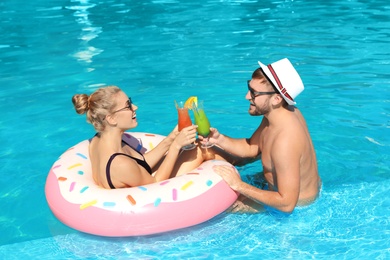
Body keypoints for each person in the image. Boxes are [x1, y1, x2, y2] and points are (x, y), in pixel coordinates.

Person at [200, 58, 321, 214]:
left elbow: (287, 205)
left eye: (254, 93)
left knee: (222, 207)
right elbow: (252, 147)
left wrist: (239, 185)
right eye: (249, 88)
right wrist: (219, 139)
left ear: (277, 99)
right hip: (285, 194)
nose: (247, 96)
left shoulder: (285, 141)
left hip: (299, 210)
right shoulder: (278, 115)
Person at [72, 85, 206, 189]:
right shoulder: (119, 164)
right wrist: (176, 146)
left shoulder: (99, 140)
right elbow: (155, 184)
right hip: (151, 195)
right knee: (203, 150)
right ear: (111, 119)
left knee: (194, 149)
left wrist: (171, 139)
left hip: (140, 180)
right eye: (128, 106)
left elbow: (139, 166)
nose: (135, 107)